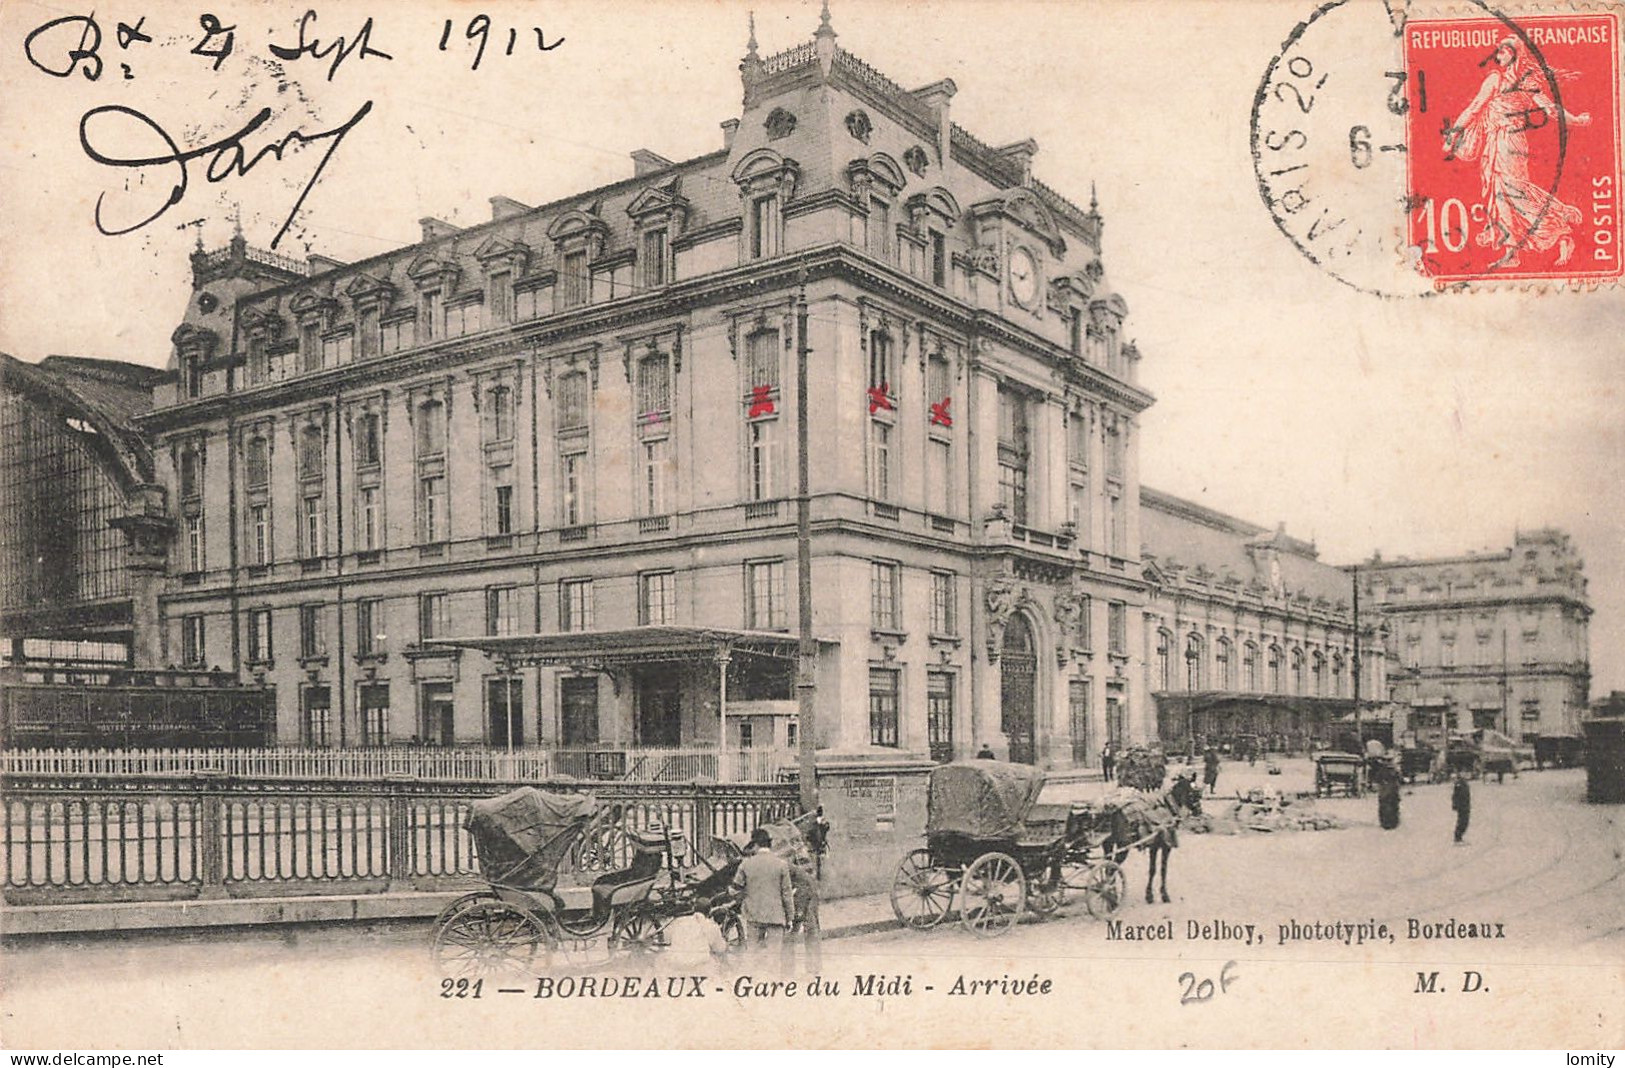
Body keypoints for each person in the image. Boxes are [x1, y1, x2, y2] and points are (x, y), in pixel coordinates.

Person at [1445, 36, 1590, 269]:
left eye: (1501, 52)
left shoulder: (1503, 79)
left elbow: (1475, 109)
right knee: (1509, 193)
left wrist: (1453, 134)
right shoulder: (1519, 79)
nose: (1497, 56)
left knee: (1510, 194)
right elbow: (1551, 110)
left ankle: (1552, 231)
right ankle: (1546, 231)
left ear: (1513, 53)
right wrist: (1577, 120)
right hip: (1500, 143)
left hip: (1507, 143)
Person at [731, 827, 795, 971]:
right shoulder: (781, 865)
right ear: (769, 844)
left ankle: (753, 984)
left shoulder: (746, 864)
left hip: (753, 915)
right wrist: (790, 917)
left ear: (755, 845)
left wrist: (742, 900)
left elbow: (735, 888)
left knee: (752, 953)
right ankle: (771, 985)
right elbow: (787, 894)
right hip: (776, 916)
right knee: (774, 956)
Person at [787, 854, 822, 975]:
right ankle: (790, 969)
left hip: (805, 891)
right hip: (797, 890)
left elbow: (807, 880)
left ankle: (812, 967)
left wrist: (799, 909)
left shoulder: (794, 856)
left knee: (809, 929)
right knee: (794, 933)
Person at [1451, 770, 1472, 845]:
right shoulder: (1459, 783)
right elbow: (1455, 796)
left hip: (1466, 805)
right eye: (1464, 773)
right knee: (1462, 822)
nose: (1466, 774)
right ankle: (1457, 838)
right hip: (1462, 806)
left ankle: (1460, 837)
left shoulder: (1464, 783)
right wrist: (1455, 805)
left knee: (1465, 821)